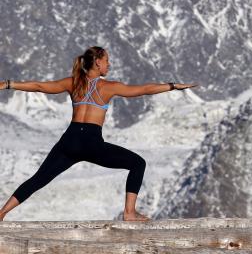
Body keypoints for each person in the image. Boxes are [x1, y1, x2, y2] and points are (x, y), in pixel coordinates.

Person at [0, 46, 197, 222]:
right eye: (106, 61)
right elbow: (144, 90)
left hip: (69, 140)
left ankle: (1, 214)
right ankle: (129, 213)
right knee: (138, 163)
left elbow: (39, 86)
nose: (109, 64)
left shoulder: (73, 83)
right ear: (97, 62)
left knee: (38, 179)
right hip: (91, 142)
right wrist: (172, 86)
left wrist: (8, 84)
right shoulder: (108, 87)